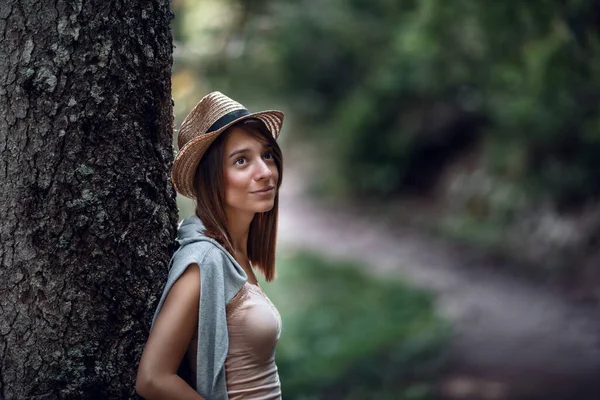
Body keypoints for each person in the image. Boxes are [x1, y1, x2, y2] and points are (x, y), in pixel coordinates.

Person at [136, 91, 285, 400]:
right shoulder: (204, 259)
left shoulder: (231, 254)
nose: (265, 172)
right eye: (242, 160)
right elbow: (152, 378)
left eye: (267, 155)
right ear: (210, 178)